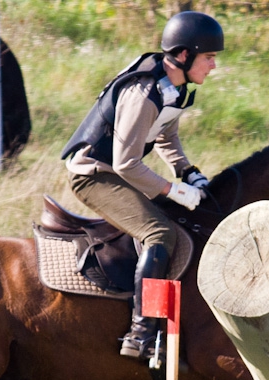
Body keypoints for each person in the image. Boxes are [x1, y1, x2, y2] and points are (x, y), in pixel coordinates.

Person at [61, 11, 224, 360]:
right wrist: (173, 190)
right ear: (184, 55)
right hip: (93, 176)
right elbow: (126, 163)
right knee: (160, 234)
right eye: (209, 57)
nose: (212, 66)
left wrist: (188, 171)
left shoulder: (175, 88)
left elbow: (165, 135)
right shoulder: (144, 93)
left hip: (116, 171)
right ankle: (141, 332)